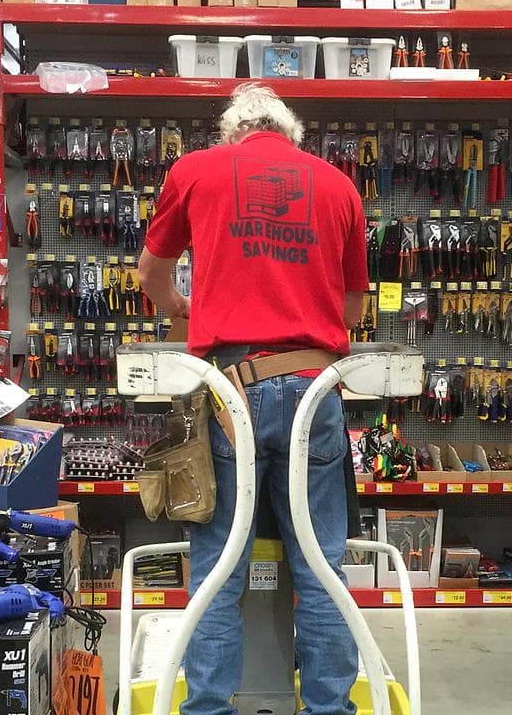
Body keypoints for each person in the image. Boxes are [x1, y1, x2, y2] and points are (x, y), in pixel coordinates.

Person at [138, 83, 368, 715]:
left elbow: (151, 276)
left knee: (219, 565)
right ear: (291, 134)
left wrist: (186, 310)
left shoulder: (195, 171)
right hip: (315, 387)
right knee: (322, 567)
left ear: (231, 133)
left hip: (230, 391)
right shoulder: (338, 186)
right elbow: (351, 307)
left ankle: (208, 707)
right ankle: (330, 708)